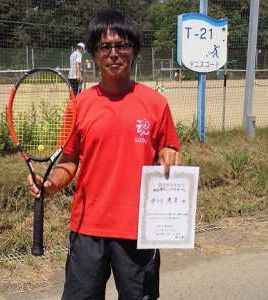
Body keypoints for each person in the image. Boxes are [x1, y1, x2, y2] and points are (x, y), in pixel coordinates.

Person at [28, 11, 181, 300]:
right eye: (104, 46)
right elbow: (69, 162)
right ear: (94, 55)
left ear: (134, 51)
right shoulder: (79, 105)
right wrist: (50, 185)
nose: (114, 53)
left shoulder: (156, 104)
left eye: (121, 45)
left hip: (138, 228)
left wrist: (169, 152)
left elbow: (169, 148)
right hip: (88, 228)